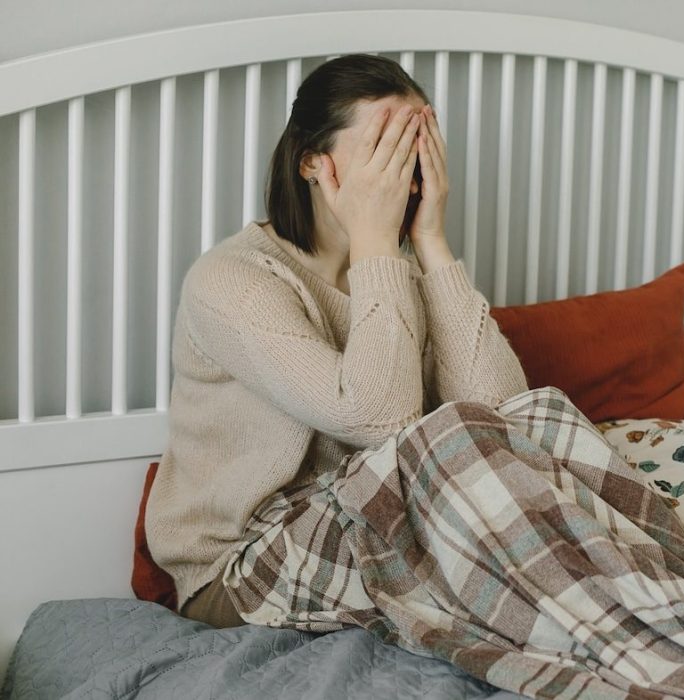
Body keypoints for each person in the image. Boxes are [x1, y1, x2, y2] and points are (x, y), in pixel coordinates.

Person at [145, 54, 529, 628]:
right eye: (386, 147)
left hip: (378, 522)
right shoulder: (231, 279)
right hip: (244, 564)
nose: (406, 169)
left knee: (537, 430)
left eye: (417, 145)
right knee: (495, 512)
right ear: (312, 165)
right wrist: (376, 237)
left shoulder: (394, 271)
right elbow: (381, 419)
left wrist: (431, 243)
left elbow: (507, 419)